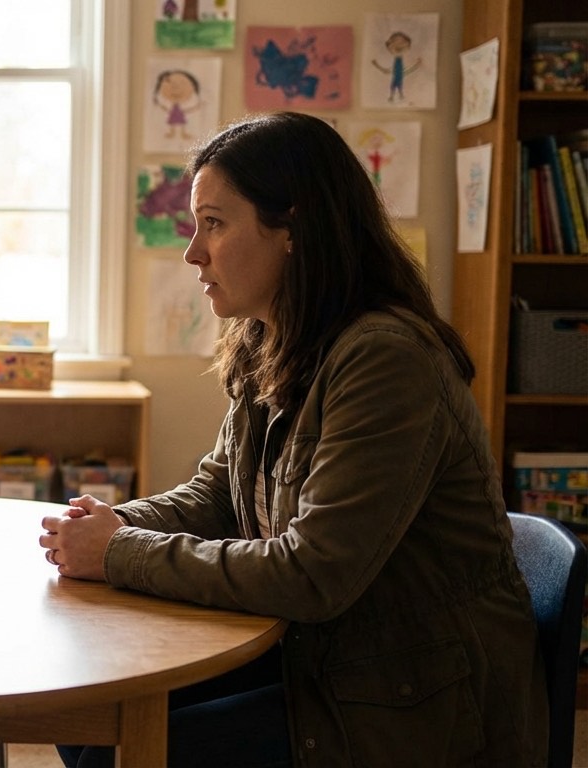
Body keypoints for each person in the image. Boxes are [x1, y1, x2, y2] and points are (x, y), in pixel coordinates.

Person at [39, 111, 547, 767]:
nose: (193, 251)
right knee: (88, 710)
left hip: (412, 701)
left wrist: (118, 551)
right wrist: (105, 527)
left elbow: (312, 576)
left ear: (293, 229)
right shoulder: (266, 334)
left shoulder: (387, 360)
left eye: (215, 224)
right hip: (323, 656)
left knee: (111, 748)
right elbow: (218, 492)